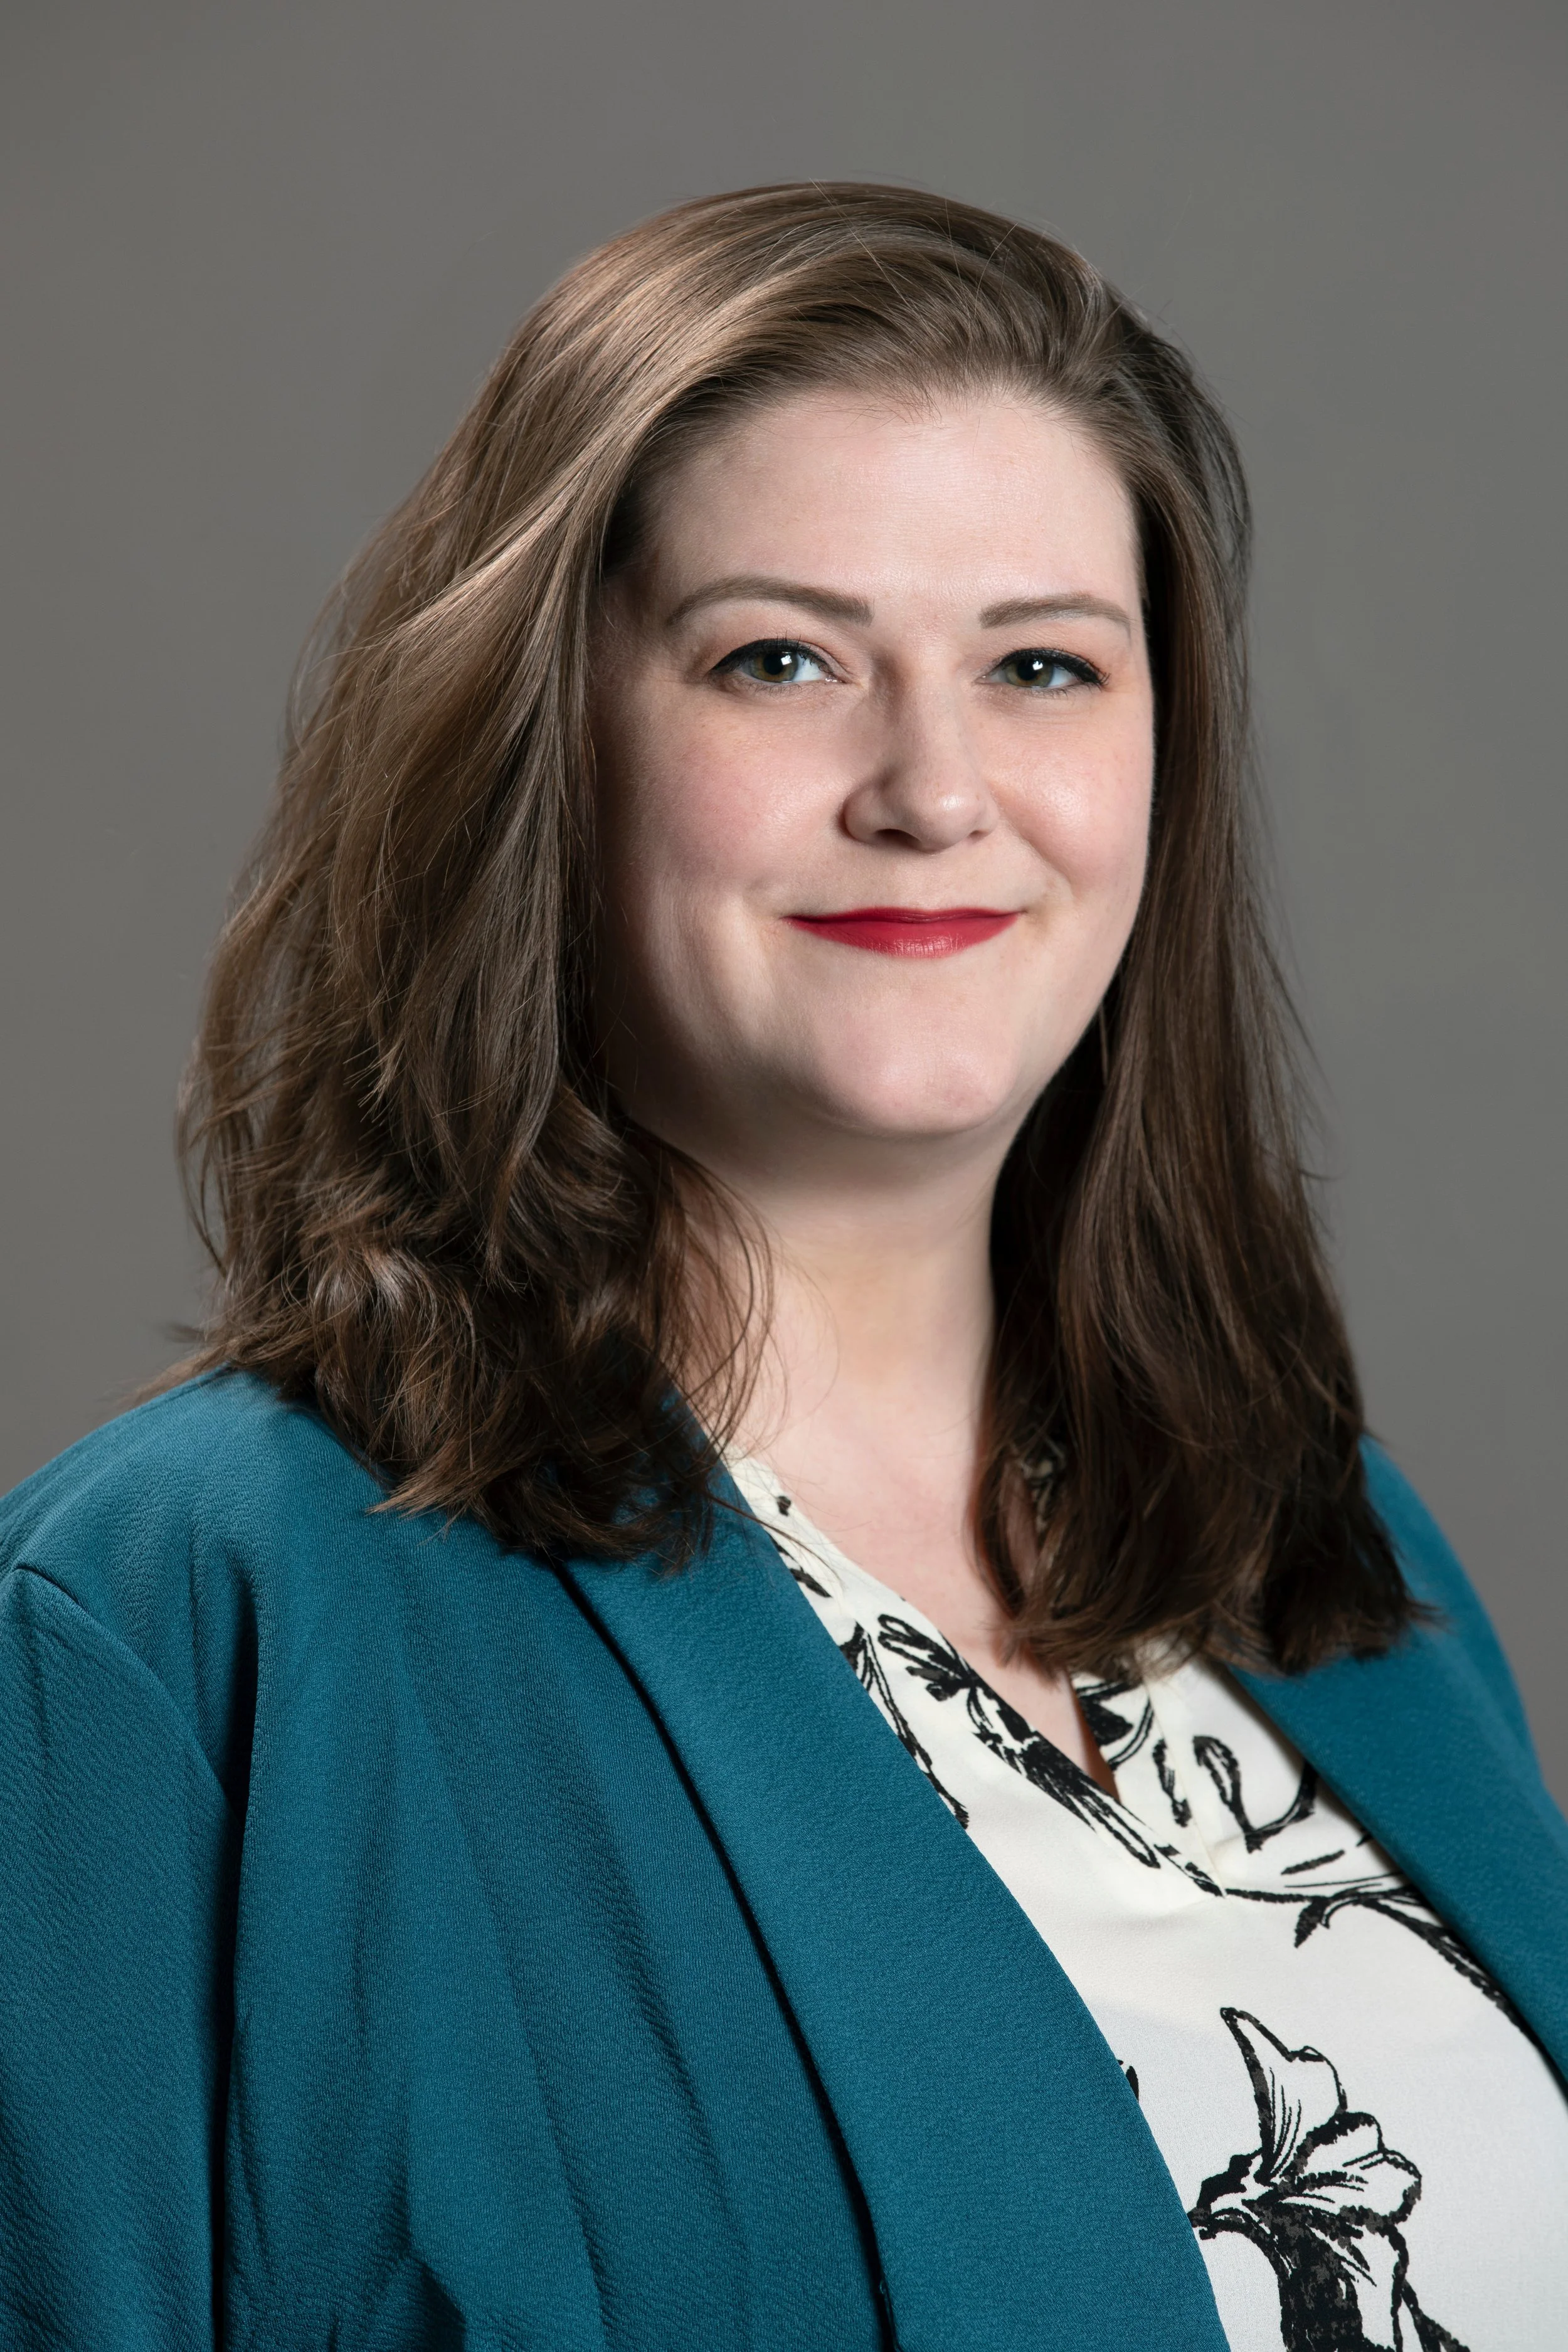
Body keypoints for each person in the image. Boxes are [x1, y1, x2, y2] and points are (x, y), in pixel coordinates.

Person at [1, 183, 1563, 2352]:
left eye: (1039, 665)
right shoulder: (191, 1614)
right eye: (780, 659)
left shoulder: (1321, 1543)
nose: (934, 788)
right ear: (551, 746)